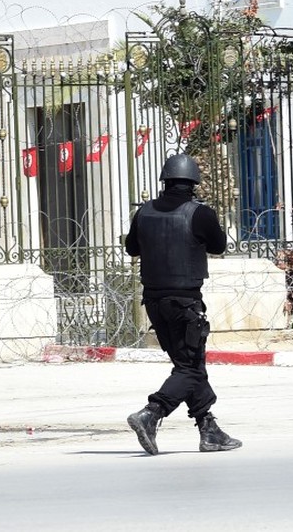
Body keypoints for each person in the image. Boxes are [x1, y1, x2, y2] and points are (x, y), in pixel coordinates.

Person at [124, 153, 242, 455]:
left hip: (153, 301)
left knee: (188, 366)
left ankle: (209, 429)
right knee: (189, 368)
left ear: (165, 180)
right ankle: (151, 413)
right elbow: (218, 246)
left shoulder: (144, 212)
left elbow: (131, 248)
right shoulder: (199, 213)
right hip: (186, 302)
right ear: (193, 183)